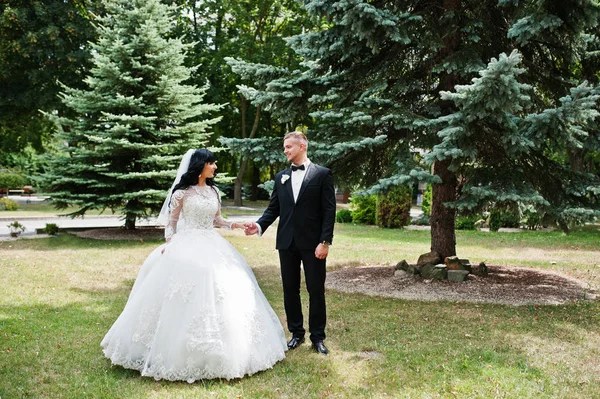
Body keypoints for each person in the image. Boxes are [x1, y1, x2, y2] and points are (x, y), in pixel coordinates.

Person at [101, 149, 287, 382]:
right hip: (186, 243)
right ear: (201, 165)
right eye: (212, 163)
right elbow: (171, 223)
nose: (215, 167)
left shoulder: (214, 191)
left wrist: (234, 226)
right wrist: (171, 243)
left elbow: (217, 220)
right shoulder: (182, 193)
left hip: (213, 244)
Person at [244, 131, 336, 355]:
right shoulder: (281, 177)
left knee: (316, 290)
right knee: (289, 289)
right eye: (284, 147)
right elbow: (273, 209)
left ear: (302, 146)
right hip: (286, 242)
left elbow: (329, 210)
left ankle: (317, 337)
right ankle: (296, 333)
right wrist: (258, 226)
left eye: (288, 147)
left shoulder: (322, 174)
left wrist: (325, 241)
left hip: (313, 243)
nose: (285, 150)